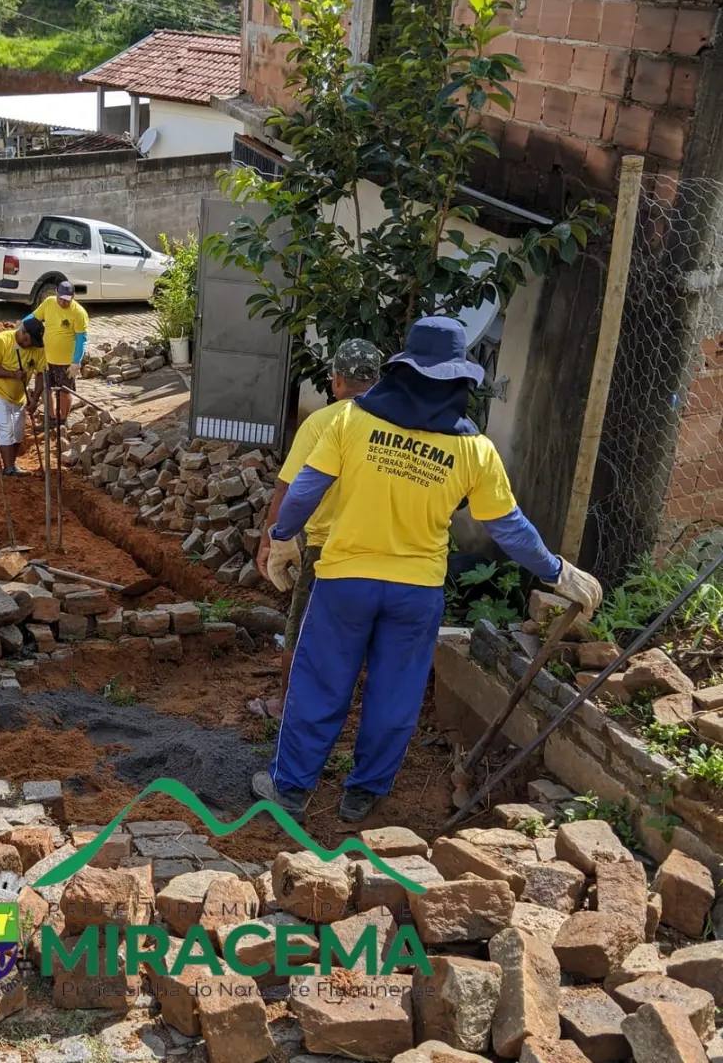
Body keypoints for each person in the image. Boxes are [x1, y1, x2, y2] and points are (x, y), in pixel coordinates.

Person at [252, 316, 603, 823]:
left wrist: (282, 538)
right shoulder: (474, 450)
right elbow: (509, 527)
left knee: (321, 682)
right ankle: (363, 794)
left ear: (401, 370)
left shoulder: (351, 422)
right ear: (459, 380)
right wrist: (556, 572)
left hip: (345, 581)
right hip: (415, 593)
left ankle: (290, 790)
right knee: (395, 694)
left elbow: (306, 488)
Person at [250, 338, 383, 721]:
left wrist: (271, 539)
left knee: (302, 629)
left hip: (325, 547)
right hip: (375, 547)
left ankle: (285, 706)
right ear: (377, 380)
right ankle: (349, 708)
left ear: (337, 380)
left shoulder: (324, 422)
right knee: (357, 634)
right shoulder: (391, 426)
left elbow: (288, 487)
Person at [0, 318, 47, 475]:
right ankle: (9, 468)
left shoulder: (37, 348)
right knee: (5, 429)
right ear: (23, 332)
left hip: (19, 396)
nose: (32, 345)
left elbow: (40, 374)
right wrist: (12, 374)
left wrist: (35, 398)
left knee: (18, 432)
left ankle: (12, 464)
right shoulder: (1, 341)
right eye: (30, 340)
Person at [23, 279, 88, 425]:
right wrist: (23, 324)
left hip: (66, 362)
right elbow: (35, 317)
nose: (63, 303)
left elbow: (81, 339)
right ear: (56, 293)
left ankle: (62, 419)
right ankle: (51, 418)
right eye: (61, 299)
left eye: (67, 300)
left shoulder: (78, 313)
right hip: (47, 359)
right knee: (47, 389)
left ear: (72, 297)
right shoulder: (49, 303)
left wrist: (76, 361)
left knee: (65, 392)